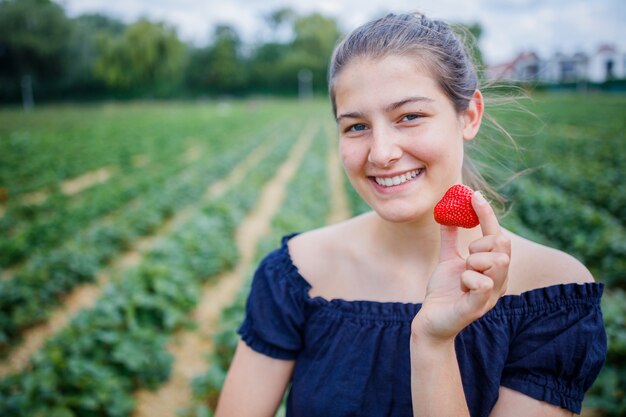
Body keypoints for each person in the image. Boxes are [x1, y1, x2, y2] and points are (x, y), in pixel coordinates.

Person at [215, 12, 606, 417]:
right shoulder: (294, 274)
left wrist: (433, 345)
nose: (381, 152)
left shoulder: (553, 292)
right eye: (356, 126)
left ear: (469, 115)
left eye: (410, 117)